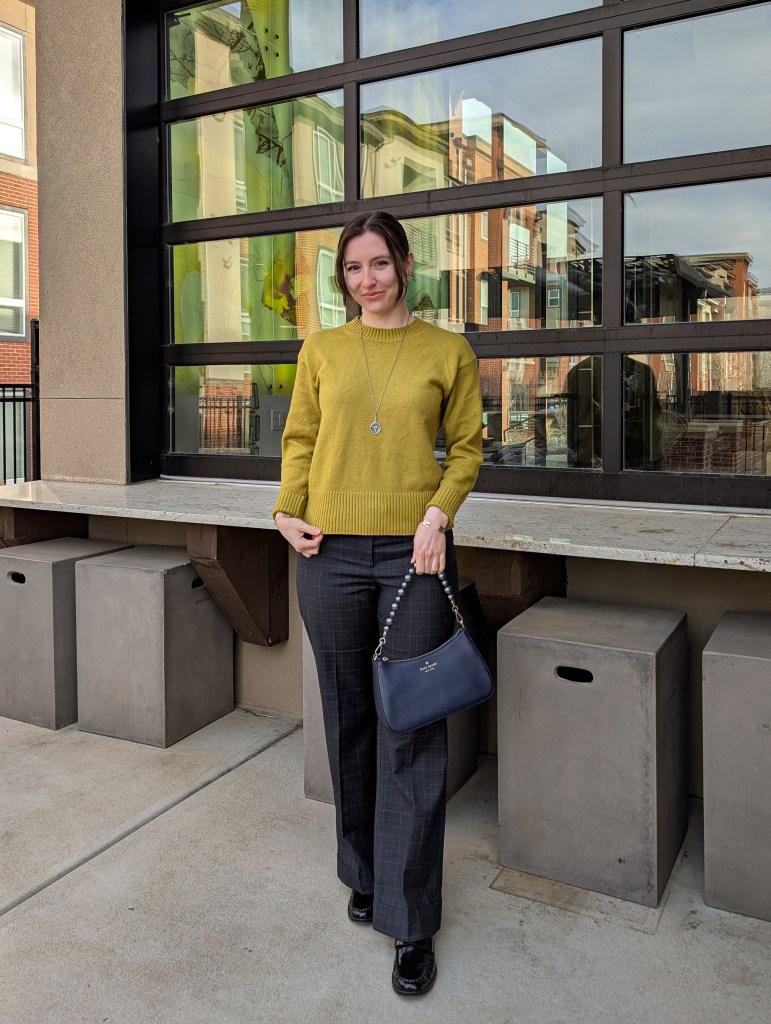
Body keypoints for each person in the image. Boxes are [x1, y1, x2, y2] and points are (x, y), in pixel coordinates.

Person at [273, 211, 483, 996]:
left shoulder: (446, 351)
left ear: (403, 265)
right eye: (353, 268)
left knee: (411, 731)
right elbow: (300, 440)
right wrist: (286, 511)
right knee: (347, 715)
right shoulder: (322, 349)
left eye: (379, 264)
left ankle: (411, 918)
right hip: (325, 552)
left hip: (413, 555)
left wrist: (437, 516)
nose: (367, 279)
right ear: (343, 278)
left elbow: (467, 448)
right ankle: (362, 871)